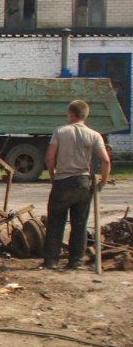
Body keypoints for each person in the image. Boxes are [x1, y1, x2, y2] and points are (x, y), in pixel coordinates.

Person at [42, 99, 111, 270]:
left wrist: (52, 175)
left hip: (63, 181)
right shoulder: (94, 135)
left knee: (56, 221)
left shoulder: (60, 131)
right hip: (83, 182)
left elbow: (50, 157)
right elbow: (106, 160)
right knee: (79, 224)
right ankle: (76, 261)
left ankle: (51, 261)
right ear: (85, 115)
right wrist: (103, 181)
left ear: (71, 114)